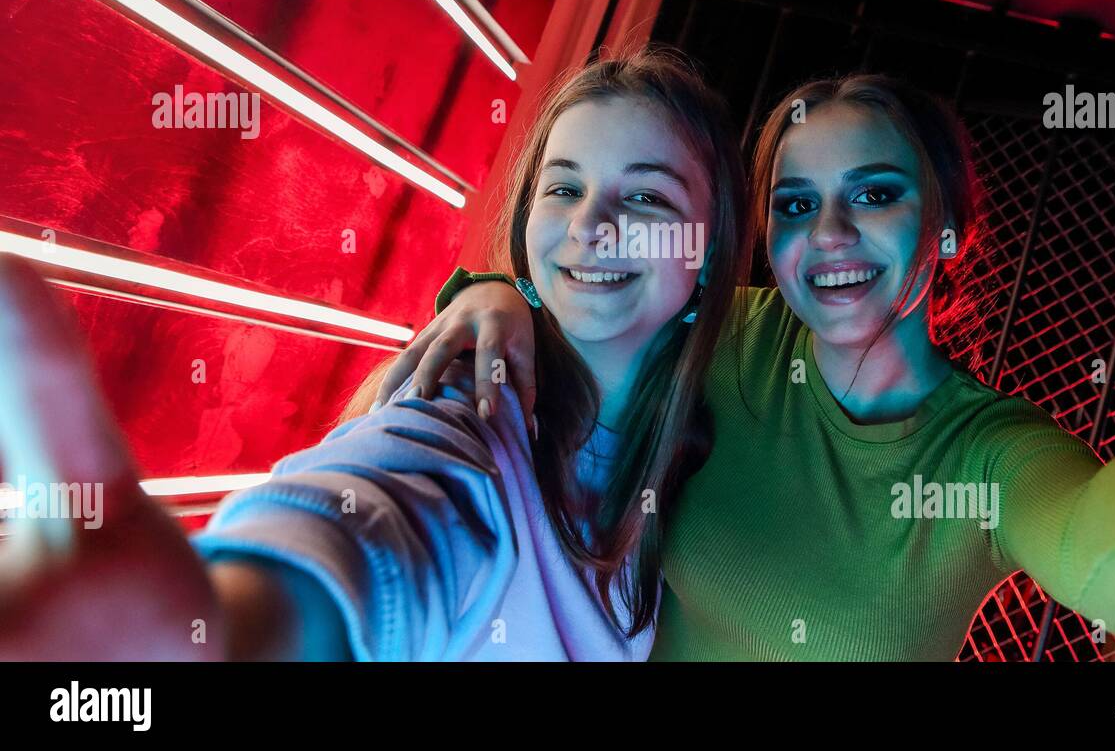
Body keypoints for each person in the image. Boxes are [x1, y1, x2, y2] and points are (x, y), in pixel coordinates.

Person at [389, 75, 1115, 660]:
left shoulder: (983, 456)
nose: (828, 235)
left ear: (946, 228)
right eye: (794, 203)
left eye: (873, 193)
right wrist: (494, 296)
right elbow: (587, 293)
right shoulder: (724, 334)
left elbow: (1098, 550)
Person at [0, 49, 750, 661]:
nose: (591, 225)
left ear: (710, 253)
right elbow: (387, 515)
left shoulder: (700, 461)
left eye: (647, 197)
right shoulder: (470, 398)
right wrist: (226, 624)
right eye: (563, 188)